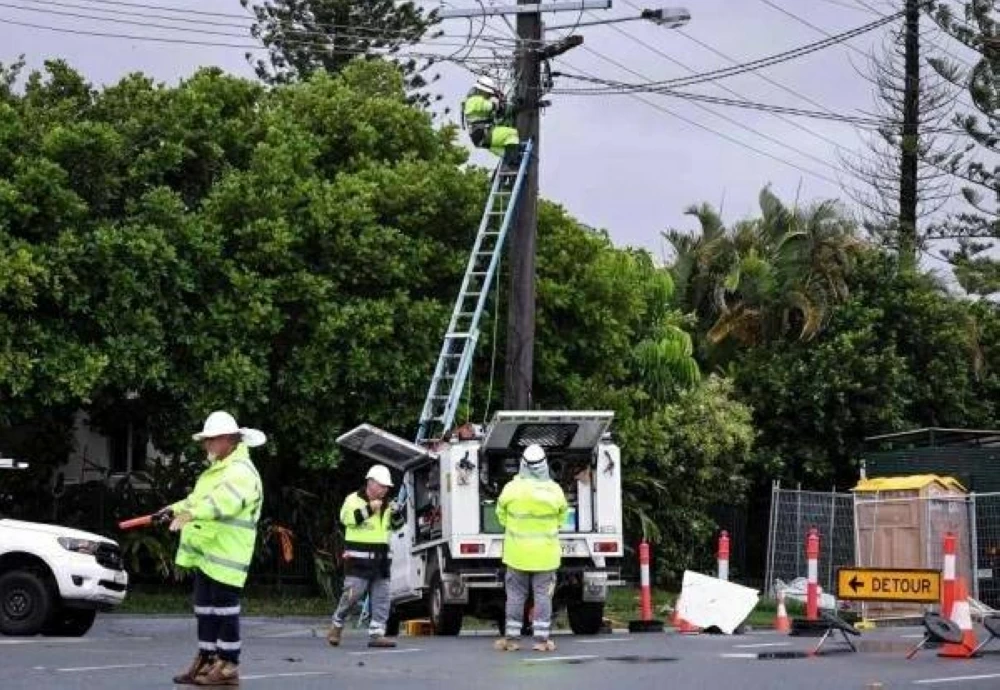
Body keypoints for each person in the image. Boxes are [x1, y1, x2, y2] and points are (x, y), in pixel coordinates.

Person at [156, 410, 266, 686]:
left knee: (224, 610)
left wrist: (190, 516)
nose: (207, 445)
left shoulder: (242, 472)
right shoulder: (219, 469)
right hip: (210, 552)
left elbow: (222, 503)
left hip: (228, 555)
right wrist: (173, 509)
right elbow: (197, 499)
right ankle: (207, 660)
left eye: (212, 440)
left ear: (229, 440)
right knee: (205, 609)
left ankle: (228, 665)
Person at [494, 444, 567, 652]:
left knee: (516, 596)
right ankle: (542, 641)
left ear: (522, 465)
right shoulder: (555, 490)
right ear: (544, 465)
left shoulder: (512, 489)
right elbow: (562, 518)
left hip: (517, 555)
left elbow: (500, 515)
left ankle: (511, 640)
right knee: (543, 596)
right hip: (546, 556)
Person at [327, 464, 406, 648]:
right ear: (370, 483)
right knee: (352, 596)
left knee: (382, 598)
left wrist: (395, 513)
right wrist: (370, 509)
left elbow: (398, 526)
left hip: (381, 561)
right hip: (357, 560)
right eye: (382, 485)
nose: (385, 489)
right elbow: (347, 519)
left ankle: (377, 634)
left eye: (387, 487)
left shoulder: (388, 504)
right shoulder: (353, 499)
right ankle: (337, 625)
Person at [461, 75, 522, 168]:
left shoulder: (473, 101)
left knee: (506, 152)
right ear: (482, 91)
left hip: (480, 136)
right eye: (488, 93)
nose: (489, 95)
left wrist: (501, 106)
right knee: (512, 134)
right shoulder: (474, 100)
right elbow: (489, 106)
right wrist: (498, 103)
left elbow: (495, 114)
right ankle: (514, 162)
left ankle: (512, 165)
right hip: (483, 134)